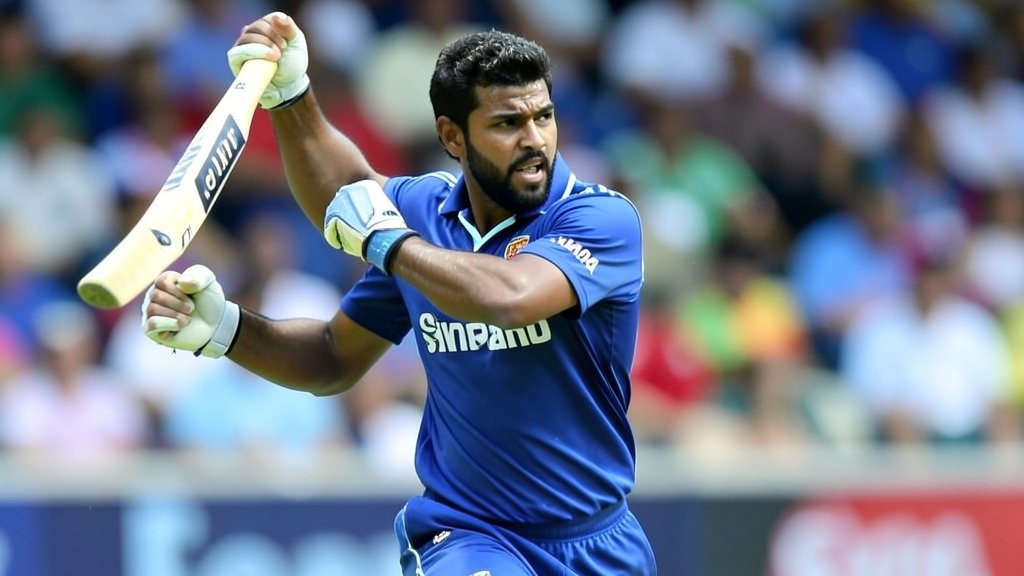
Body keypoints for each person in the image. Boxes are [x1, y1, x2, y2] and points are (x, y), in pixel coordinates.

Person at [140, 11, 655, 576]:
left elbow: (510, 297)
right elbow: (332, 356)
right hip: (470, 533)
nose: (534, 140)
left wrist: (390, 243)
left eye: (544, 117)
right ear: (452, 136)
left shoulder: (598, 217)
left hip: (598, 542)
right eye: (508, 123)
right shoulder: (422, 214)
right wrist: (227, 331)